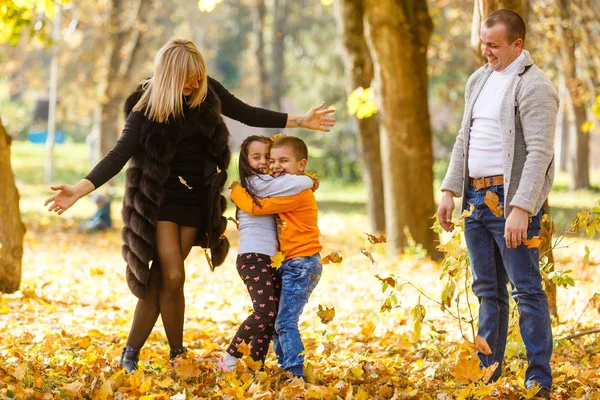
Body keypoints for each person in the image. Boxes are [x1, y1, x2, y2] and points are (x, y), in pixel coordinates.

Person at [43, 39, 335, 373]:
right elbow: (118, 154)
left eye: (198, 77)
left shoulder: (207, 93)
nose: (195, 85)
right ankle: (173, 352)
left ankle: (141, 352)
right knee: (173, 274)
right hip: (161, 199)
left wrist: (300, 121)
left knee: (161, 279)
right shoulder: (145, 107)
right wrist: (79, 190)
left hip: (196, 200)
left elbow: (247, 113)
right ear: (168, 75)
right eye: (187, 79)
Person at [436, 10, 558, 399]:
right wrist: (449, 190)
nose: (486, 52)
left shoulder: (535, 86)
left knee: (526, 290)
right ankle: (487, 376)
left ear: (517, 44)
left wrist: (520, 207)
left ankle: (538, 380)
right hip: (474, 199)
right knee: (487, 289)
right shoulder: (480, 79)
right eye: (483, 44)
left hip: (510, 201)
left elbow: (539, 152)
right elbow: (463, 139)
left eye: (494, 45)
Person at [216, 135, 316, 372]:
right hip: (253, 257)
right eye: (256, 157)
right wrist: (307, 180)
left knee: (270, 319)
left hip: (272, 259)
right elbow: (293, 186)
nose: (264, 162)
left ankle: (255, 366)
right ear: (245, 159)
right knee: (265, 311)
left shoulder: (272, 184)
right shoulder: (252, 185)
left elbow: (286, 187)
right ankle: (229, 358)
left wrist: (307, 179)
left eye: (268, 157)